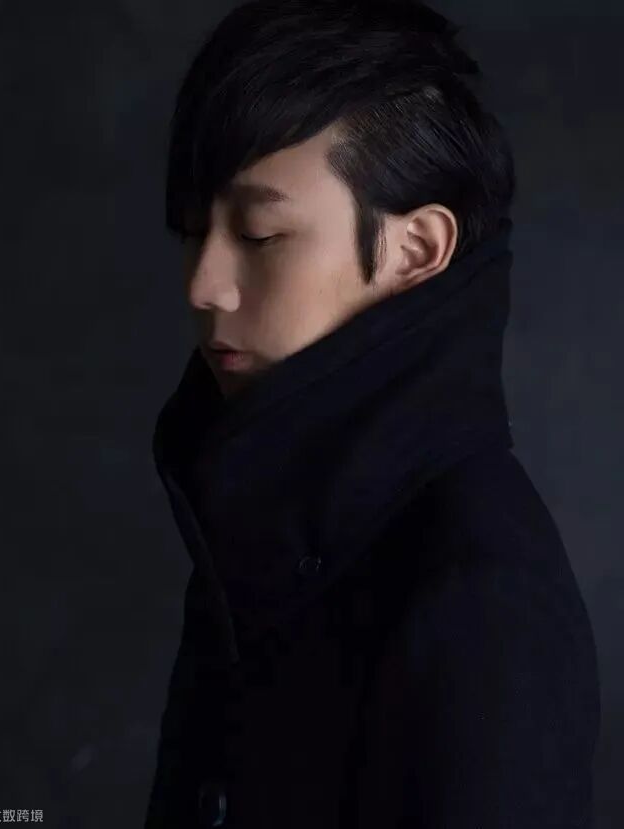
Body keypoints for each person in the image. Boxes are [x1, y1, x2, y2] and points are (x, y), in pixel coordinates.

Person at [144, 1, 601, 826]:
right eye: (191, 230)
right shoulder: (266, 524)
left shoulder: (479, 598)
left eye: (260, 234)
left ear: (415, 250)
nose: (203, 285)